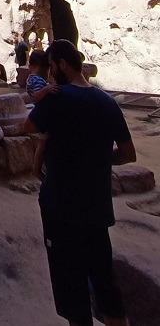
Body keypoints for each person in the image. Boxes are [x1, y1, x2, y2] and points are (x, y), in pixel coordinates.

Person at [24, 39, 136, 326]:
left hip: (60, 207)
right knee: (105, 282)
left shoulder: (58, 98)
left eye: (51, 67)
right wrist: (96, 157)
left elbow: (29, 126)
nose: (49, 75)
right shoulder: (108, 102)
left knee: (72, 293)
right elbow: (127, 154)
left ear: (62, 65)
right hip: (96, 208)